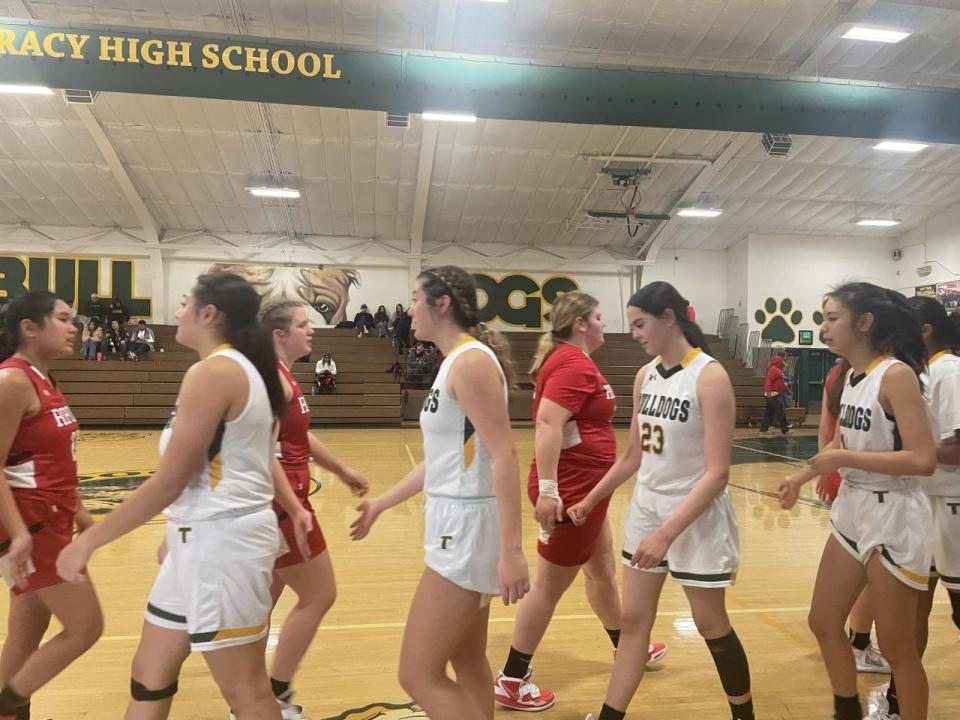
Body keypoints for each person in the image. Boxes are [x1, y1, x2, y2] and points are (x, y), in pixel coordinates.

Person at [55, 272, 312, 720]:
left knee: (247, 692)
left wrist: (87, 541)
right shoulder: (243, 370)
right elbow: (245, 461)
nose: (177, 312)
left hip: (222, 548)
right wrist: (177, 528)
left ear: (208, 313)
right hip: (197, 541)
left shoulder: (215, 372)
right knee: (149, 673)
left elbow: (169, 482)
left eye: (184, 302)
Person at [350, 265, 529, 720]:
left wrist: (512, 551)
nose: (409, 309)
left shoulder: (471, 362)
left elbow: (505, 457)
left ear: (442, 302)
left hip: (467, 528)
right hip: (458, 520)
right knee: (467, 659)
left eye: (415, 298)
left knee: (416, 673)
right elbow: (445, 459)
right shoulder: (455, 362)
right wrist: (382, 504)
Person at [569, 281, 755, 720]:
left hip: (695, 516)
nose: (634, 333)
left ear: (669, 317)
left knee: (710, 623)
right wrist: (592, 498)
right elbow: (634, 454)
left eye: (640, 323)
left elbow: (717, 473)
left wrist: (666, 535)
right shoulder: (645, 374)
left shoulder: (710, 376)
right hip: (647, 509)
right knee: (633, 623)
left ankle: (744, 715)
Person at [493, 292, 667, 713]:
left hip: (589, 494)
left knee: (602, 571)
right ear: (581, 324)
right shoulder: (572, 363)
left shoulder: (572, 360)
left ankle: (627, 648)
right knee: (548, 589)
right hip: (571, 497)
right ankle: (513, 678)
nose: (606, 324)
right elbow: (549, 423)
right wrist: (550, 490)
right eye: (600, 316)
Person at [779, 282, 936, 720]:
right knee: (823, 621)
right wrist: (802, 474)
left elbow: (922, 460)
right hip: (853, 507)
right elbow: (843, 444)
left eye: (832, 319)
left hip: (896, 514)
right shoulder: (851, 375)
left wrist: (844, 457)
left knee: (898, 647)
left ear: (864, 323)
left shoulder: (897, 375)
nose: (823, 328)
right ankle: (846, 711)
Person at [258, 299, 370, 719]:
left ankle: (250, 698)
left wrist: (340, 469)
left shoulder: (283, 376)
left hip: (281, 504)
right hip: (284, 505)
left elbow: (298, 440)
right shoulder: (271, 380)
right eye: (304, 325)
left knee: (261, 604)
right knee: (320, 594)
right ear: (278, 335)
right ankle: (274, 698)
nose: (312, 331)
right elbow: (258, 451)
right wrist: (291, 507)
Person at [0, 291, 102, 720]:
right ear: (29, 327)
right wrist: (19, 534)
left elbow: (49, 462)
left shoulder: (44, 378)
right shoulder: (12, 381)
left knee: (25, 637)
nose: (73, 327)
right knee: (86, 627)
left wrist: (78, 511)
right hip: (33, 529)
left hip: (52, 522)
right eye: (62, 318)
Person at [866, 296, 960, 720]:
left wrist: (911, 450)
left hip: (953, 504)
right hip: (924, 503)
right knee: (912, 612)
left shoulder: (950, 371)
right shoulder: (911, 375)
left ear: (924, 330)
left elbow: (957, 449)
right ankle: (900, 701)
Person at [816, 355, 891, 676]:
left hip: (839, 470)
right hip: (861, 477)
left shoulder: (839, 374)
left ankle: (855, 640)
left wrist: (821, 471)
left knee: (856, 566)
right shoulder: (885, 375)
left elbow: (824, 429)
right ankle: (859, 641)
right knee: (870, 570)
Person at [760, 354, 789, 435]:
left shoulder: (775, 369)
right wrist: (768, 391)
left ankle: (763, 429)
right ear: (778, 362)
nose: (783, 362)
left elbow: (781, 383)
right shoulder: (774, 370)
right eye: (781, 361)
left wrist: (787, 390)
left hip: (772, 394)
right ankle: (785, 429)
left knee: (769, 413)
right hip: (772, 395)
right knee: (780, 412)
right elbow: (768, 380)